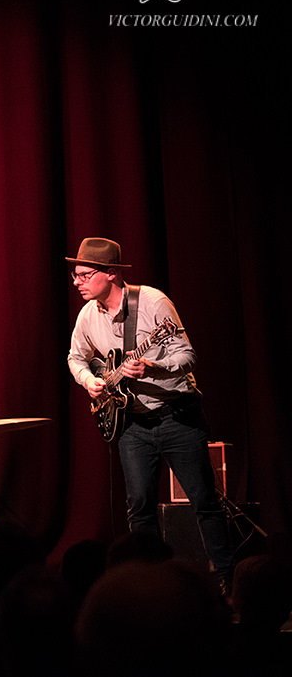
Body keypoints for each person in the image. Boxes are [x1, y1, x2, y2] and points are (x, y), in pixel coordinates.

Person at [66, 237, 234, 590]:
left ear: (110, 273)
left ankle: (227, 580)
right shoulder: (87, 316)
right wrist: (89, 381)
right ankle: (151, 582)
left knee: (204, 500)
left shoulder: (153, 303)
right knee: (139, 506)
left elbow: (187, 355)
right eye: (75, 275)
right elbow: (75, 357)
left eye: (84, 275)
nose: (76, 281)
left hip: (176, 417)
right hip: (132, 424)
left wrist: (152, 368)